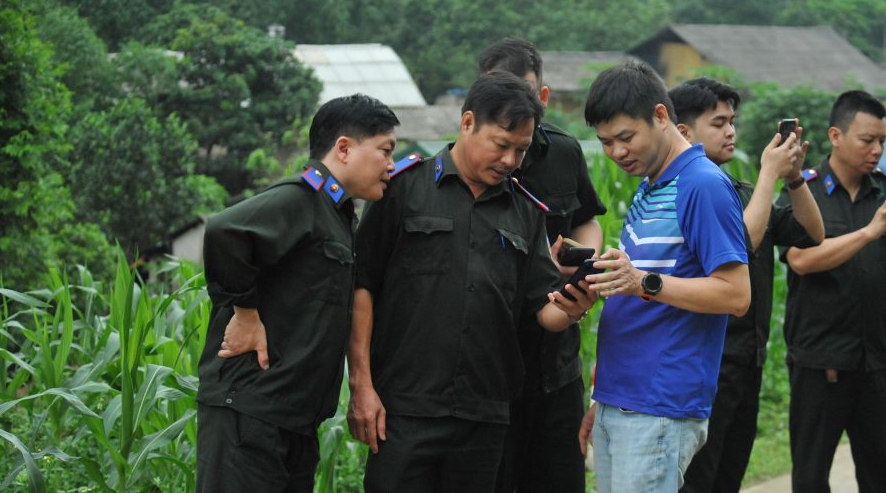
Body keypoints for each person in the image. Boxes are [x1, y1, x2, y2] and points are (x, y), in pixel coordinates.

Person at [346, 71, 597, 493]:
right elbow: (362, 286)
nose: (510, 160)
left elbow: (544, 310)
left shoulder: (525, 211)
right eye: (501, 145)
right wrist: (361, 386)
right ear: (467, 123)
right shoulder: (403, 189)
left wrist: (575, 306)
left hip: (485, 414)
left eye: (521, 150)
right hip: (404, 409)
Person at [195, 94, 400, 493]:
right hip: (251, 413)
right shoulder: (301, 198)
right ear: (344, 148)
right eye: (385, 150)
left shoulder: (337, 214)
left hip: (292, 419)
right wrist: (245, 313)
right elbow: (225, 231)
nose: (391, 165)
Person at [576, 61, 751, 493]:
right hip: (622, 399)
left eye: (626, 137)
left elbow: (735, 294)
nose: (617, 152)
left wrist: (644, 282)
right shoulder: (651, 185)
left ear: (660, 115)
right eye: (606, 142)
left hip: (659, 404)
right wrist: (603, 396)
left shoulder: (702, 184)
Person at [670, 78, 824, 493]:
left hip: (748, 361)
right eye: (718, 123)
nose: (731, 132)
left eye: (732, 122)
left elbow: (813, 233)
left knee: (729, 477)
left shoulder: (742, 192)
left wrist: (794, 178)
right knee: (698, 480)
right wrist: (770, 173)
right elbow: (739, 245)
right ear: (684, 132)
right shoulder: (685, 192)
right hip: (706, 364)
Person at [781, 90, 886, 493]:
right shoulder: (805, 189)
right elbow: (800, 259)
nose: (877, 150)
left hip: (878, 361)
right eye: (867, 140)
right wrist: (868, 232)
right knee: (811, 478)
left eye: (882, 140)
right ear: (836, 136)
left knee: (884, 476)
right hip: (822, 361)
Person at [479, 39, 606, 493]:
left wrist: (580, 258)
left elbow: (588, 219)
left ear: (544, 96)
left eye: (526, 94)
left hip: (556, 363)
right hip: (489, 370)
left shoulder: (564, 154)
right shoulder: (467, 164)